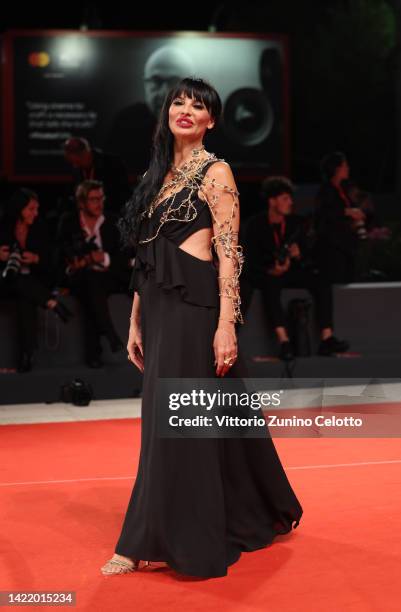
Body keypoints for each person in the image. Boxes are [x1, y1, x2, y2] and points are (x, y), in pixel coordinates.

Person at [100, 78, 303, 578]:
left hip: (197, 313)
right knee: (168, 425)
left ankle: (147, 540)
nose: (186, 109)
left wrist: (226, 326)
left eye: (198, 105)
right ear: (167, 113)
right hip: (160, 314)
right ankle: (242, 505)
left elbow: (230, 254)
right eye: (179, 102)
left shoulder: (217, 171)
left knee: (179, 428)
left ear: (211, 120)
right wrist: (135, 322)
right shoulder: (158, 177)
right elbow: (145, 262)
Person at [241, 176, 349, 360]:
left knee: (321, 281)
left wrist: (298, 255)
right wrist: (270, 269)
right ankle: (284, 341)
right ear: (272, 201)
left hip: (290, 271)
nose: (290, 202)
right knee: (270, 285)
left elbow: (309, 255)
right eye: (285, 198)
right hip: (267, 274)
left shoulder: (295, 223)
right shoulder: (255, 225)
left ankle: (327, 338)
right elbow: (249, 258)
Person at [56, 180, 131, 368]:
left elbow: (126, 256)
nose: (99, 203)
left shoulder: (113, 221)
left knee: (93, 289)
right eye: (93, 199)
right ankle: (110, 335)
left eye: (101, 198)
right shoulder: (69, 221)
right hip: (79, 277)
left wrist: (102, 257)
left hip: (109, 276)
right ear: (81, 202)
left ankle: (97, 350)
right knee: (91, 285)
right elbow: (59, 252)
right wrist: (79, 260)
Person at [0, 189, 73, 373]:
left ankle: (27, 356)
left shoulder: (39, 228)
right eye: (31, 209)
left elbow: (51, 261)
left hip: (30, 283)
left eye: (37, 209)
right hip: (4, 281)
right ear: (19, 209)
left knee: (25, 298)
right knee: (15, 280)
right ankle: (50, 301)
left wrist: (36, 259)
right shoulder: (3, 227)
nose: (35, 213)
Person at [105, 46, 194, 172]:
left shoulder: (204, 125)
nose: (164, 93)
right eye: (156, 81)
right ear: (145, 84)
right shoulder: (125, 123)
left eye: (173, 81)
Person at [314, 151, 366, 283]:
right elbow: (324, 213)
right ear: (337, 169)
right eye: (345, 165)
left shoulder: (343, 189)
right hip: (333, 248)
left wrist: (356, 218)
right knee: (337, 284)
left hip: (346, 245)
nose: (348, 168)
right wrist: (348, 212)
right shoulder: (326, 189)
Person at [63, 137, 131, 215]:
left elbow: (121, 194)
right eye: (71, 162)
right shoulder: (78, 169)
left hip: (111, 213)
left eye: (77, 161)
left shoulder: (112, 164)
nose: (75, 165)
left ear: (86, 152)